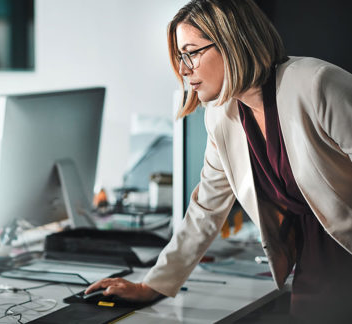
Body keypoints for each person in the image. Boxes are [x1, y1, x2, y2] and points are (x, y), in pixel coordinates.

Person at [85, 0, 352, 322]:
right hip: (317, 260)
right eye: (180, 57)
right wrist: (153, 285)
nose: (184, 69)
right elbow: (207, 208)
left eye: (192, 53)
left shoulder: (317, 83)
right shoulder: (222, 114)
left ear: (232, 42)